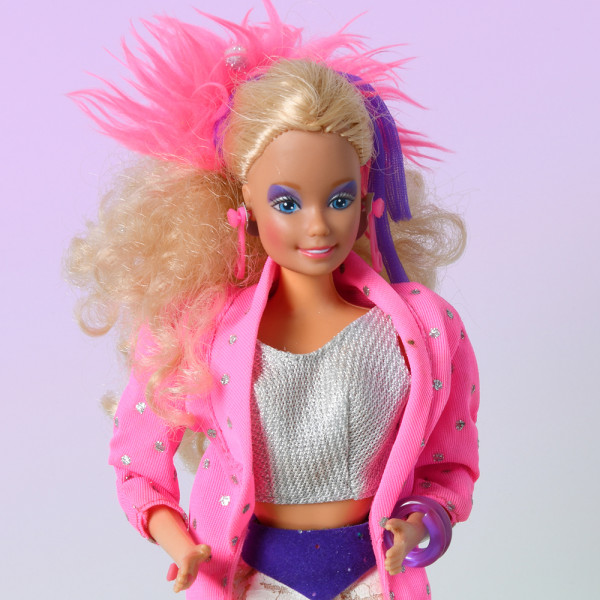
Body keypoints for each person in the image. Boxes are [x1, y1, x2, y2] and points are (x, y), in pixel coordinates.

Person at [67, 2, 479, 599]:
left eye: (338, 199)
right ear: (246, 206)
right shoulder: (201, 328)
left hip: (372, 580)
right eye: (287, 203)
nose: (318, 226)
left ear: (367, 193)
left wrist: (422, 523)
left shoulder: (424, 327)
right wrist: (181, 543)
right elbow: (139, 464)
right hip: (252, 579)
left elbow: (449, 464)